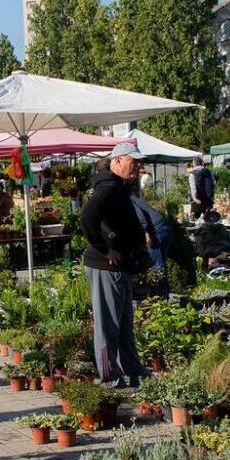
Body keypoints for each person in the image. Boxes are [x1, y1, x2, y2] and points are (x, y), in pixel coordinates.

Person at [81, 143, 150, 389]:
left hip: (120, 267)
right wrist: (104, 248)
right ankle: (107, 377)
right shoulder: (109, 187)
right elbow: (87, 218)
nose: (138, 166)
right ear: (118, 161)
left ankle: (131, 369)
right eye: (134, 161)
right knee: (107, 323)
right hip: (105, 265)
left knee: (123, 322)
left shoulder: (118, 186)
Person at [130, 186, 173, 270]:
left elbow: (140, 217)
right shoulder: (135, 196)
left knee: (156, 267)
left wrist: (146, 235)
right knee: (160, 264)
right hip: (165, 226)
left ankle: (160, 282)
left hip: (156, 230)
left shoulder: (128, 199)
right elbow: (153, 208)